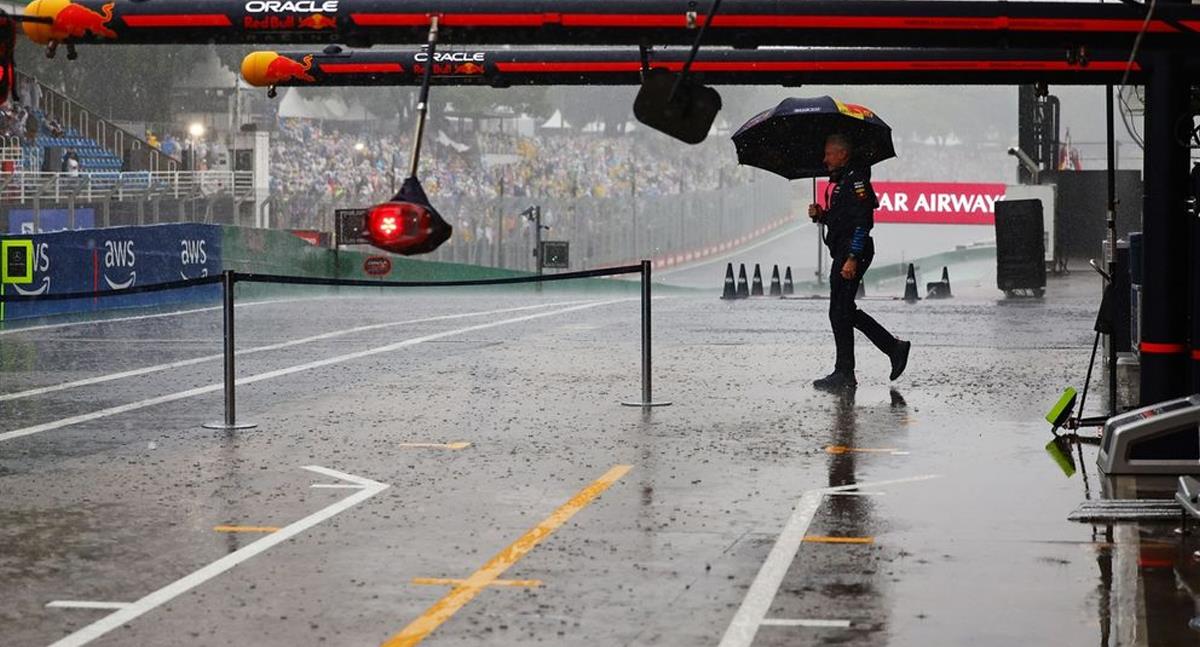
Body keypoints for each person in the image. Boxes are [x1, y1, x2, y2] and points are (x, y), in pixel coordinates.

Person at [807, 133, 910, 391]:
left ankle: (849, 370)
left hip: (854, 252)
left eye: (829, 154)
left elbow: (863, 222)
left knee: (841, 311)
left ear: (843, 153)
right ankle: (882, 353)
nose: (825, 159)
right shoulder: (842, 180)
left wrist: (852, 258)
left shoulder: (856, 181)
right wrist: (822, 215)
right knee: (840, 311)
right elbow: (843, 219)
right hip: (842, 251)